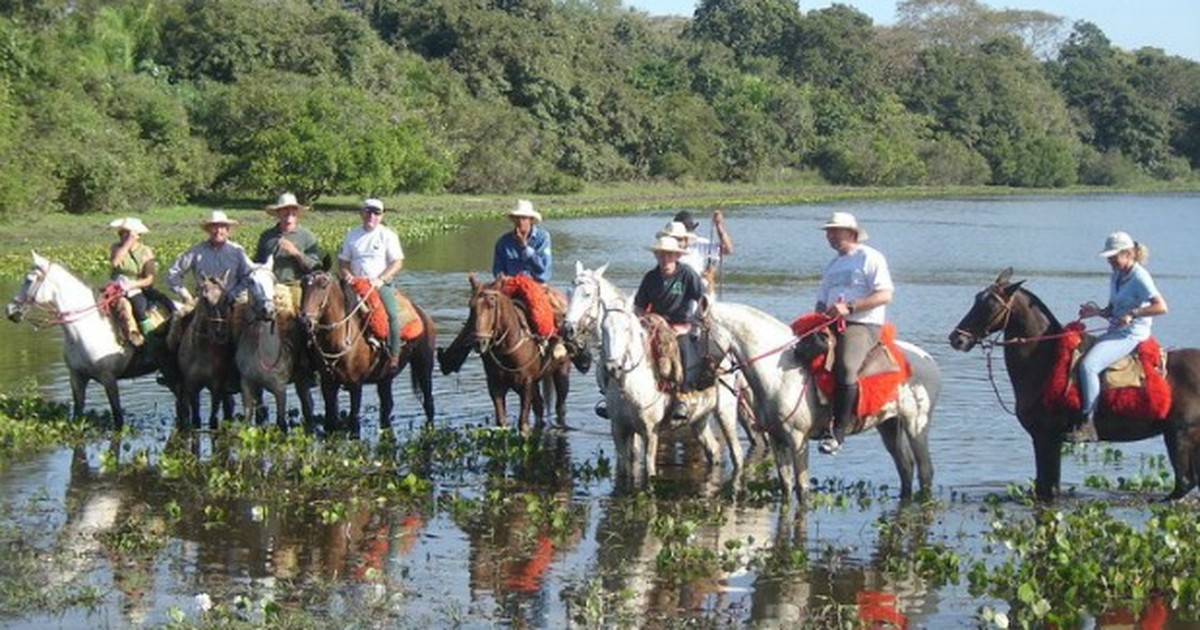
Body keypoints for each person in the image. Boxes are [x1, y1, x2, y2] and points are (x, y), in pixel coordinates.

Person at [439, 199, 591, 374]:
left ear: (531, 220)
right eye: (518, 219)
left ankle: (577, 353)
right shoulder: (503, 242)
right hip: (508, 289)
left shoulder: (542, 238)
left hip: (537, 288)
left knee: (562, 313)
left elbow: (543, 272)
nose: (521, 222)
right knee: (478, 316)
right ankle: (452, 359)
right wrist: (503, 279)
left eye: (524, 218)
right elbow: (498, 270)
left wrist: (525, 247)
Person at [1072, 231, 1168, 442]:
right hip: (1115, 331)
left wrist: (1133, 314)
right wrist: (1096, 312)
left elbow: (1161, 307)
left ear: (1128, 254)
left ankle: (1089, 422)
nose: (1110, 261)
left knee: (1088, 366)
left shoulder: (1140, 277)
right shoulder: (1117, 275)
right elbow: (1113, 309)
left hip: (1131, 335)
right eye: (1109, 257)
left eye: (1113, 257)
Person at [814, 211, 894, 455]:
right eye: (828, 232)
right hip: (829, 323)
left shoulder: (870, 257)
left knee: (846, 366)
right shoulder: (833, 265)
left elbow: (885, 295)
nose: (830, 236)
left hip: (861, 324)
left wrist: (849, 307)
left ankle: (838, 431)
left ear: (851, 233)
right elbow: (821, 300)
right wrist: (816, 320)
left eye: (835, 231)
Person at [633, 234, 706, 420]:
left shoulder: (687, 274)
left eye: (669, 255)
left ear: (677, 256)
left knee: (683, 348)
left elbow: (701, 300)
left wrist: (692, 324)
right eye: (661, 255)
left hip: (681, 324)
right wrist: (646, 319)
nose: (665, 259)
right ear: (657, 256)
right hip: (655, 325)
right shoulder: (650, 277)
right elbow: (639, 305)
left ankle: (683, 394)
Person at [338, 198, 405, 369]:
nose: (372, 216)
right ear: (362, 213)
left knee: (392, 314)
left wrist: (381, 279)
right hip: (355, 283)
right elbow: (343, 262)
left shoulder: (387, 235)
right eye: (368, 211)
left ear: (381, 216)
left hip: (379, 284)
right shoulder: (352, 235)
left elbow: (397, 262)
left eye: (377, 213)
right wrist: (347, 275)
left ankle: (394, 354)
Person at [167, 210, 254, 307]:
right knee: (179, 317)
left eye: (221, 227)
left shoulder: (237, 251)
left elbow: (249, 275)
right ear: (208, 230)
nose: (218, 231)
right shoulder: (196, 252)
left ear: (227, 230)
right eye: (214, 227)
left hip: (234, 299)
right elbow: (173, 274)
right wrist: (185, 295)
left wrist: (234, 293)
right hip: (203, 300)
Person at [254, 192, 322, 309]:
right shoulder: (267, 236)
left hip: (296, 286)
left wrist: (295, 253)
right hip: (269, 286)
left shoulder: (306, 236)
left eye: (293, 210)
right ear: (278, 213)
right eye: (285, 210)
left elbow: (316, 267)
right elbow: (258, 262)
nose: (289, 213)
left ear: (297, 213)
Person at [107, 217, 157, 346]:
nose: (124, 236)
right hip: (116, 287)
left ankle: (149, 341)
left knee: (139, 307)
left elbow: (149, 279)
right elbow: (115, 262)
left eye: (128, 233)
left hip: (136, 287)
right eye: (122, 233)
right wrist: (127, 244)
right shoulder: (116, 247)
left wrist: (133, 284)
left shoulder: (146, 251)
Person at [671, 210, 733, 289]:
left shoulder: (699, 243)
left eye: (690, 232)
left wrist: (719, 226)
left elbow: (727, 250)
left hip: (695, 286)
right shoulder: (668, 245)